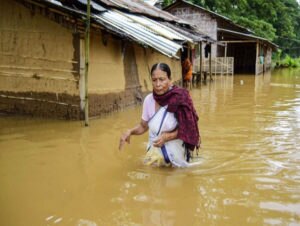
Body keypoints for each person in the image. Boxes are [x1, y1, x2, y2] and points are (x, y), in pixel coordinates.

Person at [119, 63, 201, 167]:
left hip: (177, 157)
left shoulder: (180, 98)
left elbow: (190, 128)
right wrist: (130, 131)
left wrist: (168, 137)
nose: (158, 84)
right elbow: (143, 127)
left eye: (162, 79)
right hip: (155, 155)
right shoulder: (149, 100)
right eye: (154, 80)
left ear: (170, 80)